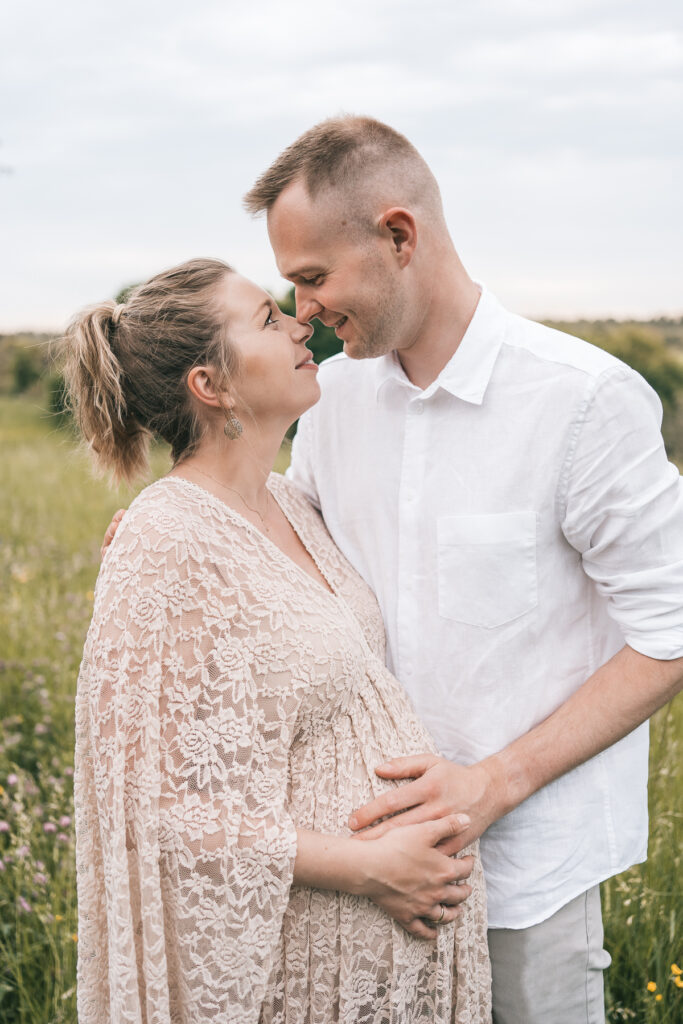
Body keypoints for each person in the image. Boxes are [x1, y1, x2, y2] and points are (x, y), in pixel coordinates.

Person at [239, 115, 683, 1024]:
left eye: (313, 278)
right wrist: (184, 523)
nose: (303, 311)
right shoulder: (333, 401)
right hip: (366, 868)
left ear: (398, 236)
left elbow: (670, 630)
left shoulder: (582, 402)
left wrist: (493, 784)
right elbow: (297, 539)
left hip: (527, 878)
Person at [66, 257, 491, 1024]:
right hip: (303, 973)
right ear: (212, 385)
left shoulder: (291, 504)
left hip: (386, 963)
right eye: (266, 318)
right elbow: (154, 808)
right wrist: (369, 868)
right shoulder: (163, 540)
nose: (299, 322)